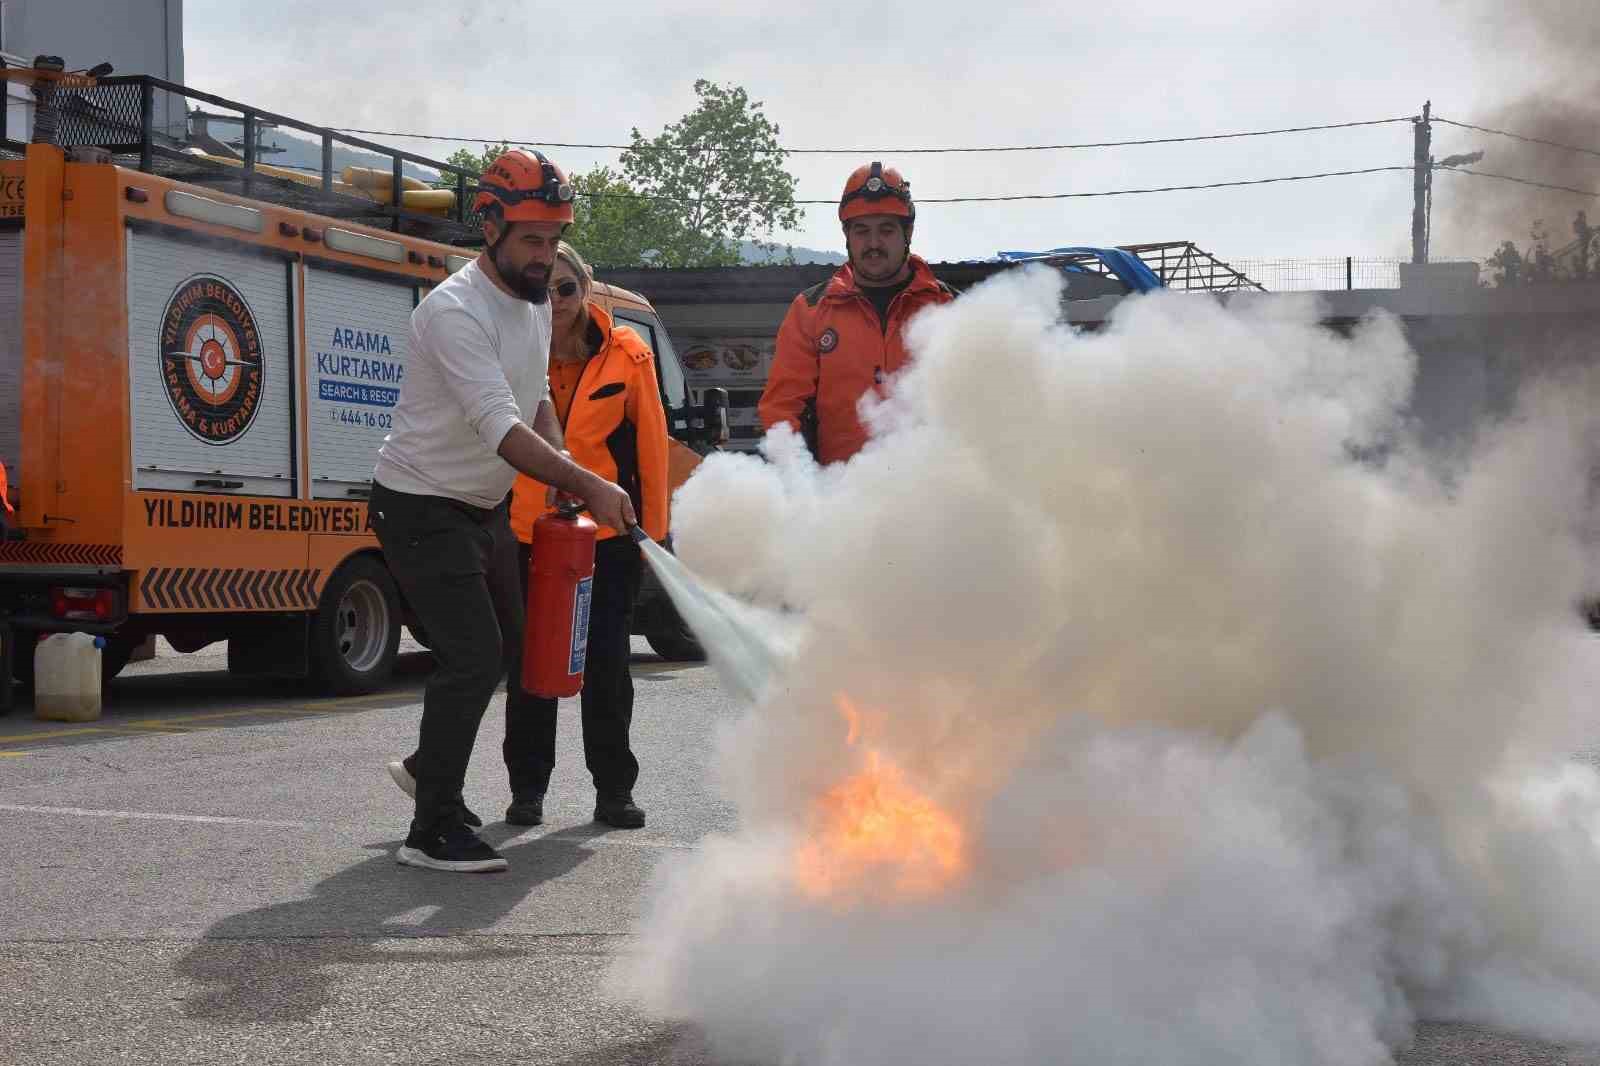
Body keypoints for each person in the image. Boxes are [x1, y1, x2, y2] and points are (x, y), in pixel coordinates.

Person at [372, 149, 636, 874]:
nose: (546, 257)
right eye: (531, 240)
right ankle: (432, 830)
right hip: (421, 504)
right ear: (488, 225)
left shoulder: (529, 300)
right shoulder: (454, 312)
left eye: (554, 240)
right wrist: (584, 481)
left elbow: (535, 398)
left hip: (479, 508)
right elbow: (500, 427)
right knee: (474, 656)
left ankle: (430, 766)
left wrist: (560, 470)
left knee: (518, 651)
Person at [502, 242, 670, 831]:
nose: (555, 302)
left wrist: (651, 536)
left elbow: (650, 452)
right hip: (525, 533)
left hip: (606, 538)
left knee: (606, 667)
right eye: (544, 289)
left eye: (566, 289)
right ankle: (527, 790)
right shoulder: (512, 350)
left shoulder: (630, 355)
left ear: (587, 287)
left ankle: (613, 791)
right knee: (531, 667)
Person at [757, 162, 956, 464]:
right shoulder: (810, 310)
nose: (873, 244)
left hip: (933, 495)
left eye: (886, 230)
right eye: (862, 231)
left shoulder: (948, 307)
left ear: (908, 232)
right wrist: (798, 484)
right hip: (841, 499)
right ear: (847, 235)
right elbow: (783, 411)